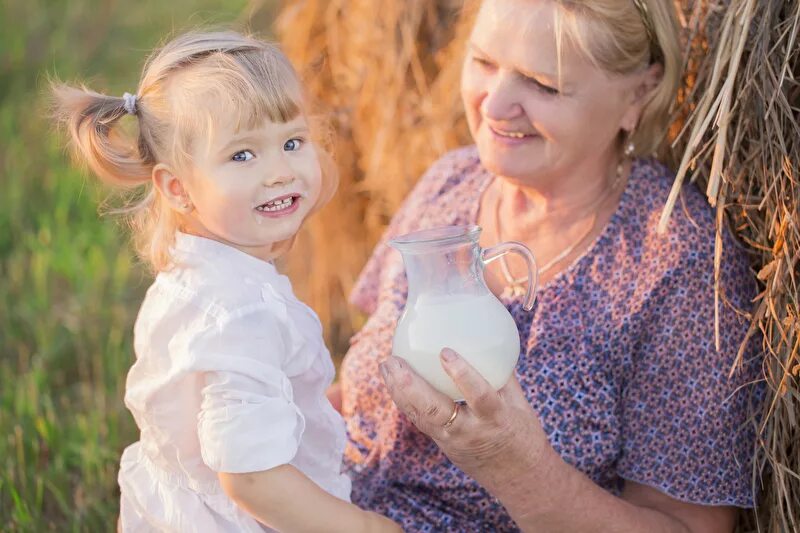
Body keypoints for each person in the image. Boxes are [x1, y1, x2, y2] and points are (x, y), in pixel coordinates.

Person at [339, 0, 763, 531]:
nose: (494, 106)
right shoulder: (450, 182)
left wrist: (518, 470)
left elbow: (688, 527)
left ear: (640, 94)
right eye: (484, 63)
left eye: (544, 84)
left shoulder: (679, 265)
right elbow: (354, 396)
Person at [52, 31, 400, 532]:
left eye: (292, 141)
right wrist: (365, 527)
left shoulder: (196, 275)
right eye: (242, 155)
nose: (280, 171)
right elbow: (252, 478)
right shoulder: (240, 312)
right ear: (178, 188)